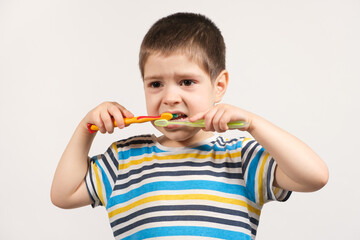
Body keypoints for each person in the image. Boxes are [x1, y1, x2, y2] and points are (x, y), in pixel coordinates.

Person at [51, 12, 329, 240]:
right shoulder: (123, 158)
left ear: (218, 86)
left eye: (186, 82)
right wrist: (86, 128)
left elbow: (315, 176)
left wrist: (253, 125)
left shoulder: (240, 157)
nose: (170, 98)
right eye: (156, 84)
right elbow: (63, 195)